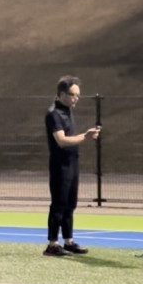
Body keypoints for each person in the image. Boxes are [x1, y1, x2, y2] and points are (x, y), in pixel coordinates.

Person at [44, 76, 101, 257]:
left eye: (78, 95)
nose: (76, 98)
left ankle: (68, 241)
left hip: (72, 163)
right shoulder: (54, 114)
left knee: (70, 204)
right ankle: (52, 245)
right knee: (59, 204)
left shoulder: (67, 111)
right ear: (61, 94)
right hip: (60, 165)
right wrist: (85, 136)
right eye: (72, 95)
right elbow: (61, 140)